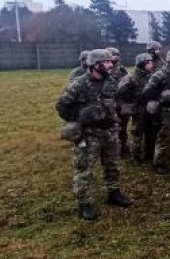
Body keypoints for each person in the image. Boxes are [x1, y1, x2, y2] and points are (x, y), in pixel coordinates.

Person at [56, 49, 133, 220]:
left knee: (113, 165)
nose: (111, 65)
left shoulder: (111, 82)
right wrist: (82, 117)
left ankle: (114, 192)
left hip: (110, 132)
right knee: (84, 169)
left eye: (111, 62)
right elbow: (62, 106)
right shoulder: (79, 84)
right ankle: (84, 203)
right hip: (89, 135)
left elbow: (116, 101)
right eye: (106, 62)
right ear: (95, 65)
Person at [143, 49, 170, 175]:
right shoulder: (160, 74)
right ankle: (160, 163)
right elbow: (147, 92)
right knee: (165, 136)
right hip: (165, 110)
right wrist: (162, 96)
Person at [117, 53, 156, 163]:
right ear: (142, 63)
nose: (152, 65)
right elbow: (120, 92)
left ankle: (149, 154)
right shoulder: (131, 77)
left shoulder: (151, 76)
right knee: (137, 133)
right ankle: (136, 156)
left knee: (150, 132)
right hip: (138, 110)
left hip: (150, 109)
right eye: (149, 63)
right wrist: (133, 99)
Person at [106, 47, 131, 155]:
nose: (116, 56)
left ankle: (123, 146)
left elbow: (128, 81)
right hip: (109, 103)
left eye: (117, 54)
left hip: (121, 103)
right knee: (111, 127)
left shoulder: (122, 68)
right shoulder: (103, 69)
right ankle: (111, 149)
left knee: (123, 126)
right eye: (113, 54)